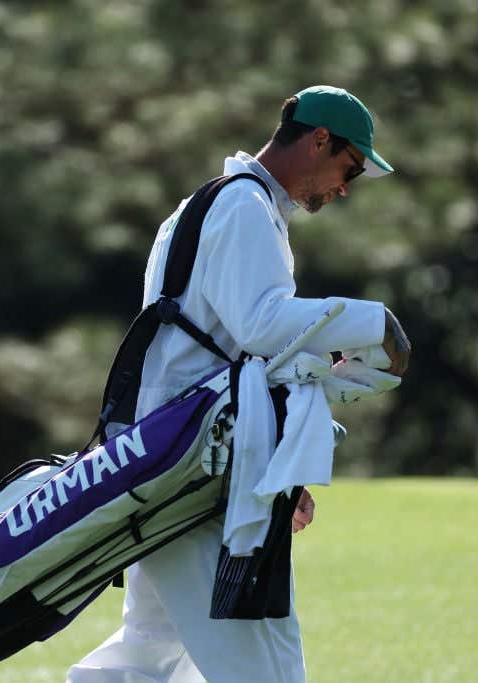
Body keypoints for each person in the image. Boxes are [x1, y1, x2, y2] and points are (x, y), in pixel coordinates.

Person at [67, 85, 412, 683]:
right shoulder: (244, 208)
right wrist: (373, 322)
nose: (346, 187)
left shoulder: (219, 204)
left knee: (145, 657)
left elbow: (238, 354)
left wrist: (275, 470)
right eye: (348, 167)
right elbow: (262, 326)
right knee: (265, 665)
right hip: (189, 466)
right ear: (318, 140)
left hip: (173, 456)